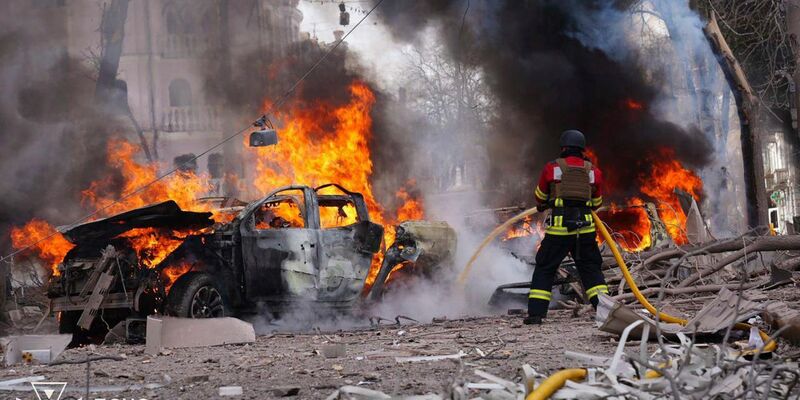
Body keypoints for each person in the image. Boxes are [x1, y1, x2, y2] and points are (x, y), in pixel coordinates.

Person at [525, 129, 608, 325]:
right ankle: (605, 313)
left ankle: (536, 315)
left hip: (559, 231)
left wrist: (550, 201)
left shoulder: (552, 168)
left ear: (563, 148)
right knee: (591, 270)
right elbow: (597, 202)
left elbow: (540, 196)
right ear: (582, 149)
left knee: (545, 268)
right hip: (585, 231)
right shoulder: (594, 172)